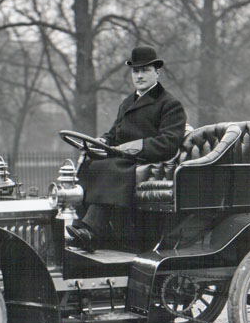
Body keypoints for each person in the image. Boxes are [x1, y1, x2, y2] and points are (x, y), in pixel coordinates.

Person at [67, 45, 187, 252]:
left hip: (148, 161)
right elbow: (114, 133)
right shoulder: (127, 103)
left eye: (145, 70)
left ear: (157, 73)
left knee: (108, 168)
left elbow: (169, 142)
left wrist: (136, 147)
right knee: (90, 165)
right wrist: (102, 141)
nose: (139, 76)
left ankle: (91, 229)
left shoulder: (169, 104)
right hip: (124, 159)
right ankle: (92, 231)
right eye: (135, 71)